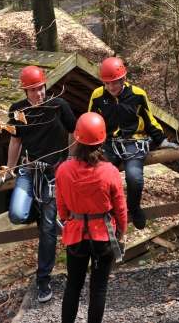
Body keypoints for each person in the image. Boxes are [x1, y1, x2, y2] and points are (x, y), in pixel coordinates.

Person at [5, 65, 77, 302]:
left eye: (42, 88)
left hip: (53, 172)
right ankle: (36, 209)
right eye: (34, 89)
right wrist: (9, 168)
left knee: (48, 228)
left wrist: (69, 159)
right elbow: (15, 141)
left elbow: (74, 131)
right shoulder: (17, 111)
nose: (39, 93)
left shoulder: (59, 105)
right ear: (25, 90)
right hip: (28, 169)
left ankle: (43, 280)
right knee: (16, 214)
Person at [88, 57, 178, 230]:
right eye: (107, 83)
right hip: (109, 143)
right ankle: (107, 212)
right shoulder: (98, 96)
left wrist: (162, 140)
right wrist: (88, 147)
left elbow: (149, 120)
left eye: (114, 82)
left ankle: (134, 207)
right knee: (101, 177)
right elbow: (90, 121)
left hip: (133, 141)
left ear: (123, 79)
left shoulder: (137, 94)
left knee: (135, 178)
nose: (111, 87)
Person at [56, 112, 127, 323]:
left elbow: (61, 207)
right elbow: (120, 208)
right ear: (102, 138)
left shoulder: (63, 170)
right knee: (98, 289)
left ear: (77, 138)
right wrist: (121, 231)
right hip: (104, 236)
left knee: (73, 286)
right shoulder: (110, 171)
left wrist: (69, 219)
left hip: (76, 236)